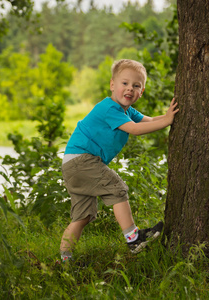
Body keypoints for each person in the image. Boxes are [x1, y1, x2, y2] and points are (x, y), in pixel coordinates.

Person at [59, 59, 179, 262]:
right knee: (117, 188)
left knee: (82, 217)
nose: (130, 89)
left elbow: (148, 120)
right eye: (125, 83)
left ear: (141, 92)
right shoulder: (109, 108)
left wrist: (168, 116)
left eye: (136, 85)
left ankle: (64, 260)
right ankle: (134, 239)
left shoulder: (127, 111)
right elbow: (135, 129)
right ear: (112, 85)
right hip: (82, 161)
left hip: (74, 165)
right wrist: (167, 121)